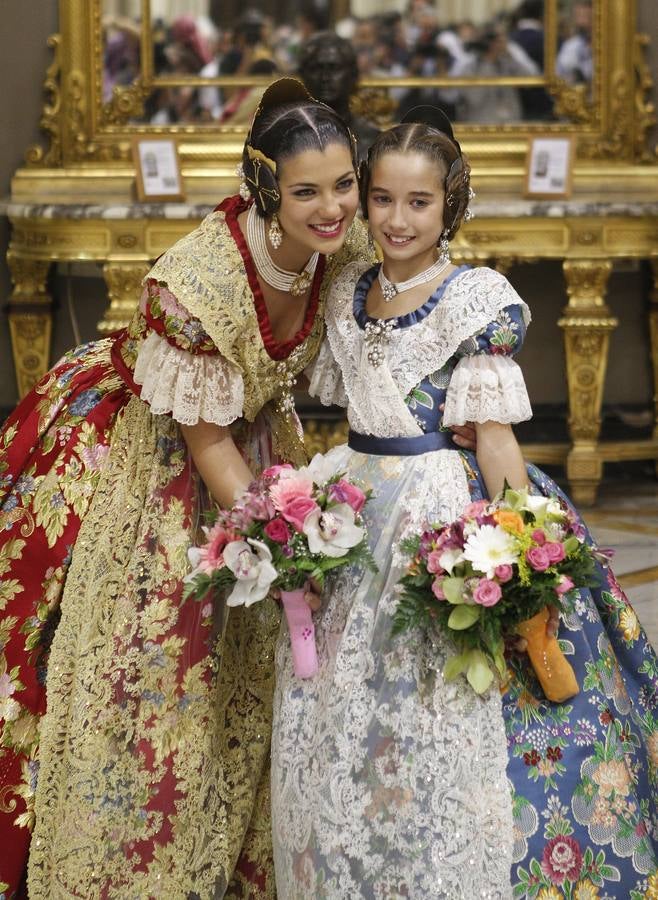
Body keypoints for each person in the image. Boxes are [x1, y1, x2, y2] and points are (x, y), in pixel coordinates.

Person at [0, 77, 373, 899]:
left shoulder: (343, 245)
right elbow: (203, 436)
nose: (333, 207)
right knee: (159, 655)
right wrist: (279, 544)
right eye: (307, 190)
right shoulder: (195, 284)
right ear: (266, 188)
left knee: (258, 660)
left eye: (344, 184)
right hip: (151, 445)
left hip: (247, 433)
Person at [271, 107, 658, 898]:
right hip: (356, 507)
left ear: (451, 204)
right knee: (349, 699)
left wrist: (524, 551)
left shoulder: (477, 300)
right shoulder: (347, 287)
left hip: (444, 509)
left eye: (419, 202)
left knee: (447, 694)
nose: (397, 219)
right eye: (381, 199)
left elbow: (492, 442)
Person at [297, 31, 380, 162]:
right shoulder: (286, 138)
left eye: (334, 68)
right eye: (316, 69)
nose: (325, 77)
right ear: (302, 75)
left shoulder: (373, 140)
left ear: (353, 74)